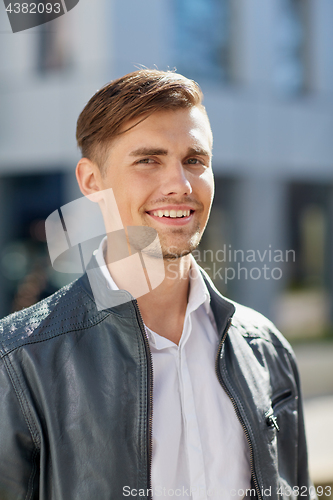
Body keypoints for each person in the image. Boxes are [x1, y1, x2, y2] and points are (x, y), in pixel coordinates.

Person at [0, 70, 315, 500]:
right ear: (92, 181)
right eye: (148, 159)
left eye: (195, 160)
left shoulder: (266, 347)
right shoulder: (18, 363)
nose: (180, 185)